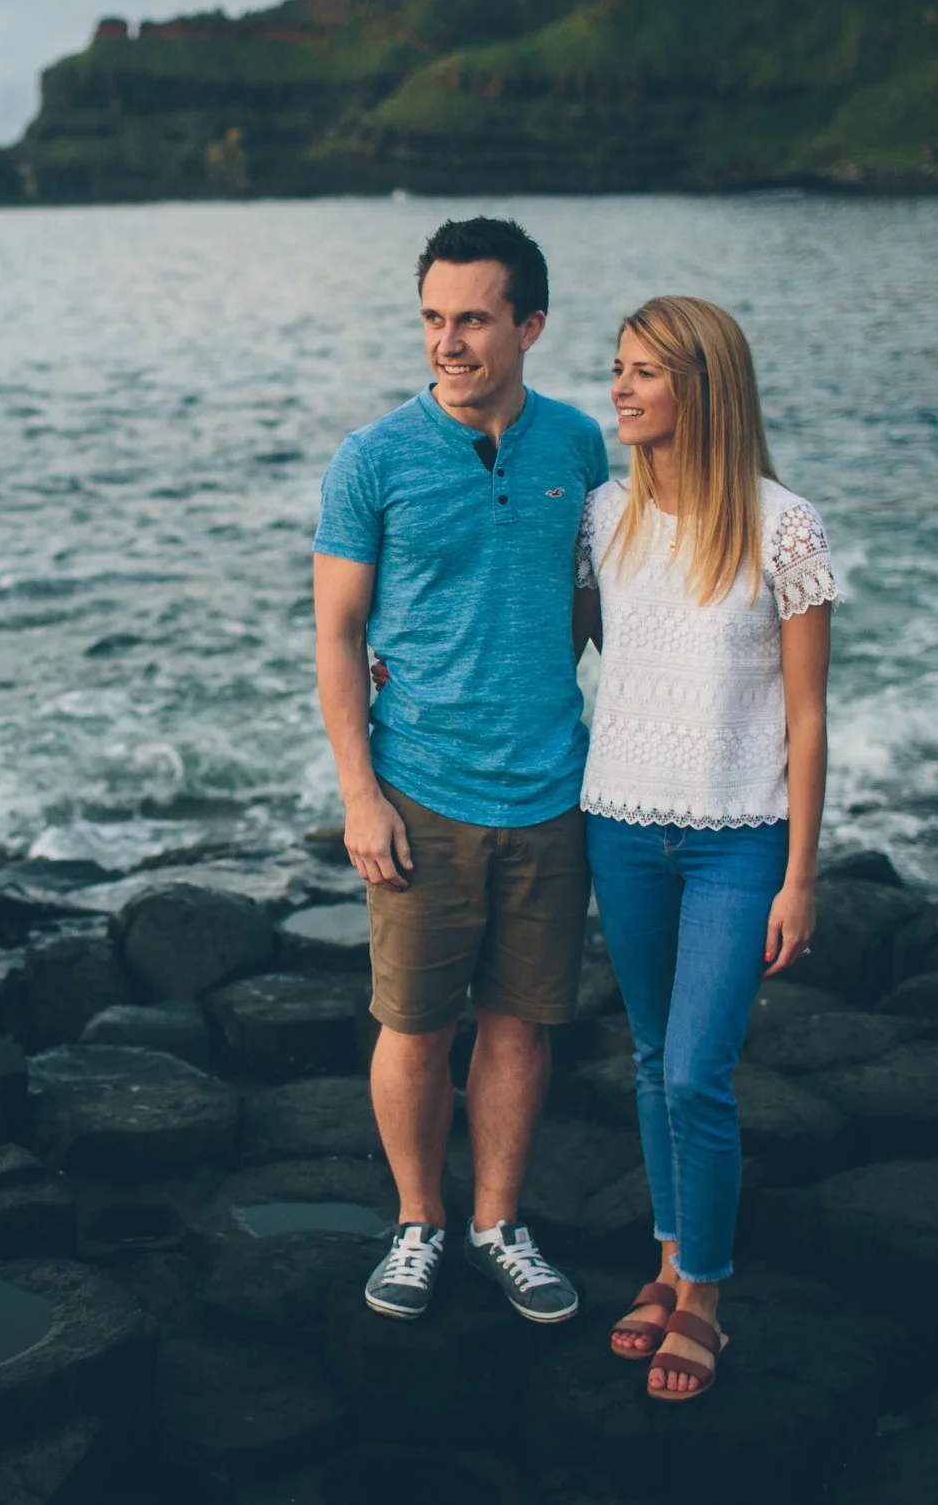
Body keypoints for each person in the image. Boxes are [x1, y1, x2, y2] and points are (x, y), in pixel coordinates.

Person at [311, 217, 608, 1325]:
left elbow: (589, 600)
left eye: (473, 319)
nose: (448, 341)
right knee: (415, 1022)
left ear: (529, 325)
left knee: (523, 1022)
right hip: (419, 790)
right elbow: (337, 634)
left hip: (550, 788)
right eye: (433, 318)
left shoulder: (578, 445)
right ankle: (417, 1221)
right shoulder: (372, 459)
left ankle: (498, 1222)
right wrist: (359, 793)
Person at [580, 297, 838, 1401]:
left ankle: (708, 1296)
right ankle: (668, 1257)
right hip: (620, 823)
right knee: (650, 1057)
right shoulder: (601, 514)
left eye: (643, 372)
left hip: (740, 836)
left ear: (703, 387)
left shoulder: (785, 524)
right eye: (617, 368)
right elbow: (562, 635)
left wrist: (800, 874)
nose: (620, 389)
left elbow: (809, 714)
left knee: (697, 1069)